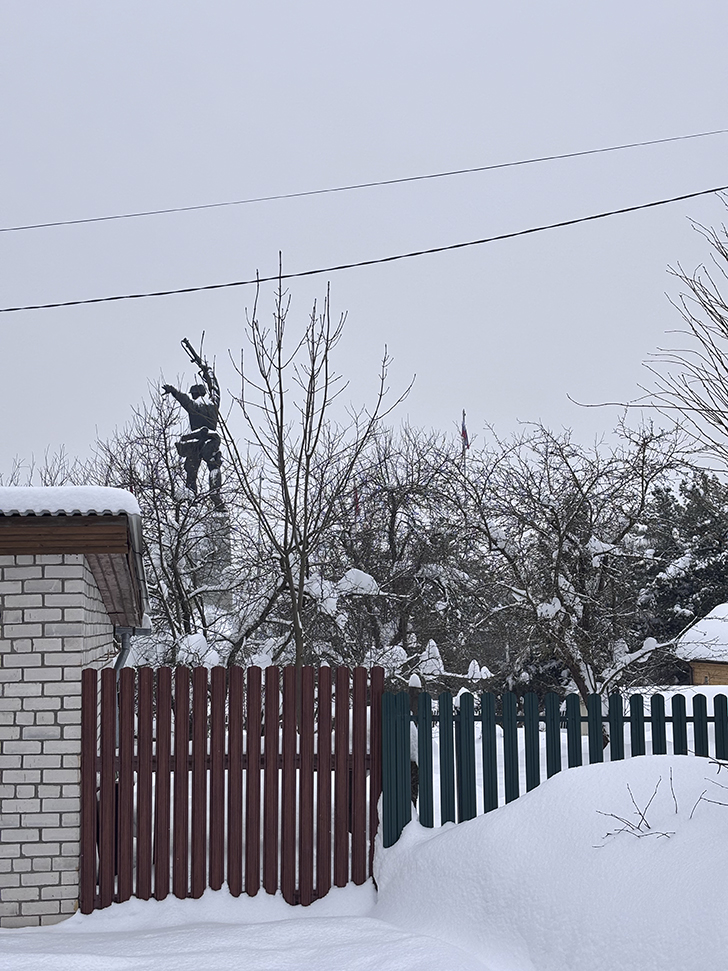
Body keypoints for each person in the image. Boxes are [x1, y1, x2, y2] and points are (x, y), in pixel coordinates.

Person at [162, 381, 224, 507]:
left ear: (195, 394)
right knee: (213, 466)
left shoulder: (194, 405)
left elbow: (183, 399)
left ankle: (192, 498)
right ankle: (215, 494)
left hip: (197, 442)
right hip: (212, 440)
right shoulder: (214, 404)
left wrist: (173, 390)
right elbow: (215, 389)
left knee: (191, 471)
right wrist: (206, 369)